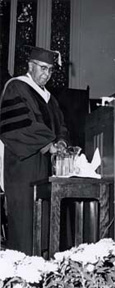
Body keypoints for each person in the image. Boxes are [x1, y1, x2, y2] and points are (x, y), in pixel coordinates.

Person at [0, 46, 70, 255]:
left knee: (44, 217)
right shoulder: (16, 88)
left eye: (50, 70)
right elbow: (17, 126)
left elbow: (62, 126)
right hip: (23, 164)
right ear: (30, 66)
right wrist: (49, 145)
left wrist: (62, 142)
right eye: (42, 68)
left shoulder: (50, 98)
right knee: (25, 219)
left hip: (47, 166)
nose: (46, 74)